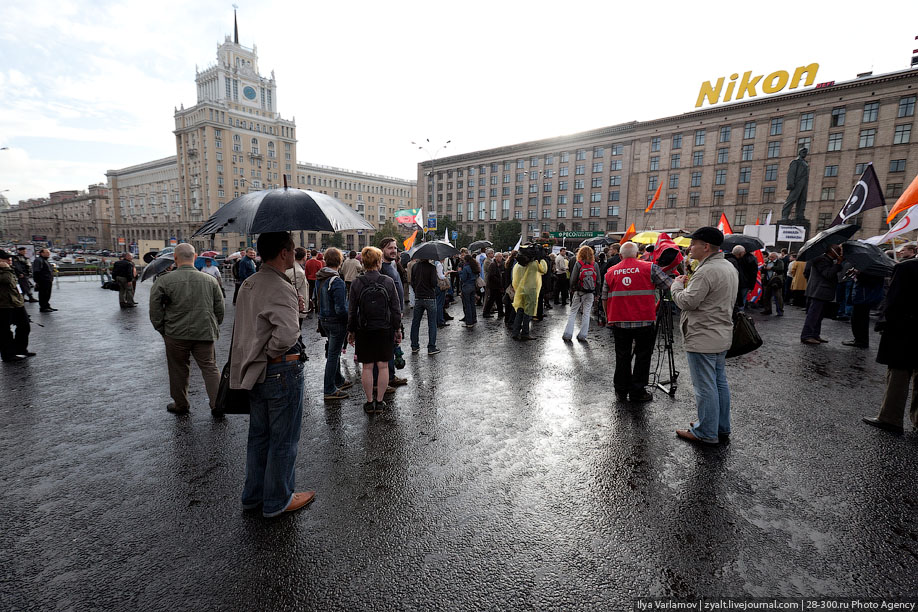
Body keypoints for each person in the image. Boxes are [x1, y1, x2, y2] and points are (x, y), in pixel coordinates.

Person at [231, 231, 314, 518]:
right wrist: (270, 350)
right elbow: (286, 335)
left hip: (255, 368)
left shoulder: (250, 283)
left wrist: (296, 310)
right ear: (283, 253)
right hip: (281, 368)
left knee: (259, 437)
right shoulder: (279, 286)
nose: (294, 255)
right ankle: (278, 499)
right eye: (292, 251)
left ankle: (253, 496)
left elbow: (257, 324)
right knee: (284, 438)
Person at [671, 227, 738, 444]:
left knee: (705, 386)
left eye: (694, 244)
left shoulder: (706, 271)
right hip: (720, 333)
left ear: (706, 246)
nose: (690, 248)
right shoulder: (728, 266)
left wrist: (676, 287)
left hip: (703, 335)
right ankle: (719, 425)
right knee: (719, 382)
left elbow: (688, 302)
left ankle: (706, 432)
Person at [149, 243, 224, 415]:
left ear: (175, 258)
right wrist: (214, 324)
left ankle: (181, 404)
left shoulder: (164, 281)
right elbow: (220, 308)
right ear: (195, 257)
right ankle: (218, 404)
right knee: (210, 367)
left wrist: (162, 329)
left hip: (175, 333)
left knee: (178, 370)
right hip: (204, 331)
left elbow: (155, 309)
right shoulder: (210, 280)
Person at [602, 242, 674, 401]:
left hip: (619, 321)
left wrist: (609, 318)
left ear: (620, 256)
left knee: (622, 356)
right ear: (637, 254)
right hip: (644, 320)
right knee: (643, 356)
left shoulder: (610, 272)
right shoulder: (649, 268)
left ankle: (621, 389)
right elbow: (669, 286)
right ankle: (637, 391)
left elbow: (604, 298)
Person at [863, 255, 918, 433]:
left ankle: (890, 418)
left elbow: (894, 301)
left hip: (905, 329)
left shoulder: (906, 267)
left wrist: (886, 323)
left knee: (898, 376)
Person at [347, 246, 402, 413]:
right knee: (383, 366)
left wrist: (351, 331)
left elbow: (351, 310)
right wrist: (397, 329)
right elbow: (395, 308)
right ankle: (380, 401)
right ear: (379, 262)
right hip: (384, 328)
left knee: (367, 367)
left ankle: (369, 401)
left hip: (364, 329)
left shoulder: (357, 282)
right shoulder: (388, 281)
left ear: (363, 262)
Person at [316, 247, 352, 401]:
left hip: (324, 319)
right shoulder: (336, 281)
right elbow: (340, 309)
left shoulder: (321, 277)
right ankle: (329, 389)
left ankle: (338, 380)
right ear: (339, 261)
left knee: (334, 352)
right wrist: (349, 323)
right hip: (336, 322)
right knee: (332, 355)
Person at [378, 238, 408, 387]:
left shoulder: (392, 265)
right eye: (390, 248)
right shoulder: (382, 268)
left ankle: (390, 375)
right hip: (388, 314)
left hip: (395, 312)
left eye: (395, 248)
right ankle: (387, 378)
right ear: (382, 249)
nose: (394, 251)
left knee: (392, 344)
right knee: (388, 346)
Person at [801, 245, 843, 345]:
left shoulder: (827, 260)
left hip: (822, 292)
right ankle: (807, 335)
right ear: (832, 251)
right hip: (818, 291)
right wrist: (838, 264)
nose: (840, 253)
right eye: (838, 251)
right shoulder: (821, 260)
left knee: (819, 315)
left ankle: (815, 334)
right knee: (813, 315)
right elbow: (827, 274)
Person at [0, 249, 34, 362]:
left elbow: (15, 286)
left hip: (16, 303)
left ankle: (20, 350)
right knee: (5, 331)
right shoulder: (6, 271)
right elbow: (6, 280)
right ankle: (8, 355)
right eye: (6, 259)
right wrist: (5, 268)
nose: (9, 261)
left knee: (25, 326)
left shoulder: (10, 269)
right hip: (3, 305)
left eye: (9, 259)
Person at [510, 247, 548, 340]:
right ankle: (525, 333)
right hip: (531, 290)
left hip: (520, 290)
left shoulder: (518, 265)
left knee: (520, 310)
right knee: (528, 312)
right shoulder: (535, 264)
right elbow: (544, 270)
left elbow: (514, 279)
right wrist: (541, 259)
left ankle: (515, 332)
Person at [563, 246, 599, 343]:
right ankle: (583, 335)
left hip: (579, 292)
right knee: (586, 313)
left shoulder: (578, 264)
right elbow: (598, 280)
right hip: (591, 292)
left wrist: (572, 289)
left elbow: (573, 279)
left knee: (573, 312)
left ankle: (568, 334)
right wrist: (597, 293)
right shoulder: (595, 264)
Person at [841, 268, 884, 349]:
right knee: (860, 319)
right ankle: (860, 340)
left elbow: (866, 281)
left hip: (863, 297)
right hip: (864, 297)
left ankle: (860, 341)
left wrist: (857, 274)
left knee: (859, 319)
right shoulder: (876, 270)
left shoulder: (872, 271)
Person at [409, 256, 440, 355]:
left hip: (418, 297)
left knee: (415, 322)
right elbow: (434, 283)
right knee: (432, 323)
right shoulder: (432, 267)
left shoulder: (415, 267)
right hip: (430, 297)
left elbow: (412, 282)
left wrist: (416, 290)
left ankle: (414, 346)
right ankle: (431, 347)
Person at [286, 247, 309, 326]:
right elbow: (294, 290)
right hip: (296, 307)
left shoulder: (290, 267)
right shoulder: (298, 272)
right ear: (304, 257)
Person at [759, 252, 785, 316]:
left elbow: (780, 268)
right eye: (770, 257)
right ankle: (767, 309)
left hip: (775, 281)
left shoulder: (779, 262)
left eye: (772, 257)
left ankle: (780, 311)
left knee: (778, 297)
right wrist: (764, 267)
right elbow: (763, 270)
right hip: (767, 281)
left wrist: (771, 268)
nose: (770, 258)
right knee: (766, 296)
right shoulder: (767, 262)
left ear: (776, 257)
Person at [459, 253, 479, 328]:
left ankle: (469, 322)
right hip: (473, 286)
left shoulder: (466, 268)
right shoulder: (473, 266)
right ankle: (474, 319)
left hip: (466, 286)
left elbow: (463, 278)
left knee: (467, 305)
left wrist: (460, 272)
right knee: (472, 304)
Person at [32, 248, 55, 312]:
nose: (48, 254)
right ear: (41, 253)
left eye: (49, 252)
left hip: (48, 280)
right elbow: (36, 271)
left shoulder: (45, 260)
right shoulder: (38, 260)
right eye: (46, 252)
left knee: (47, 294)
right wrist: (37, 281)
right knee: (43, 294)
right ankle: (43, 307)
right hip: (43, 280)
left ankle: (47, 305)